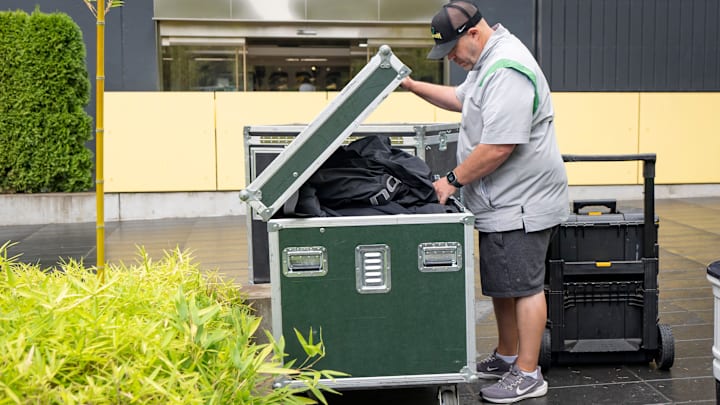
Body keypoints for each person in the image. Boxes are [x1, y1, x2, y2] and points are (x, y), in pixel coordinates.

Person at [401, 1, 569, 403]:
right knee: (503, 284)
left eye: (453, 50)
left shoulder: (507, 68)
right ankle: (508, 355)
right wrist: (410, 86)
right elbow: (460, 99)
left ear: (473, 34)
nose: (453, 60)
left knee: (525, 286)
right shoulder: (484, 65)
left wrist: (451, 182)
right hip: (499, 200)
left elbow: (499, 146)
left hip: (523, 201)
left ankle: (528, 373)